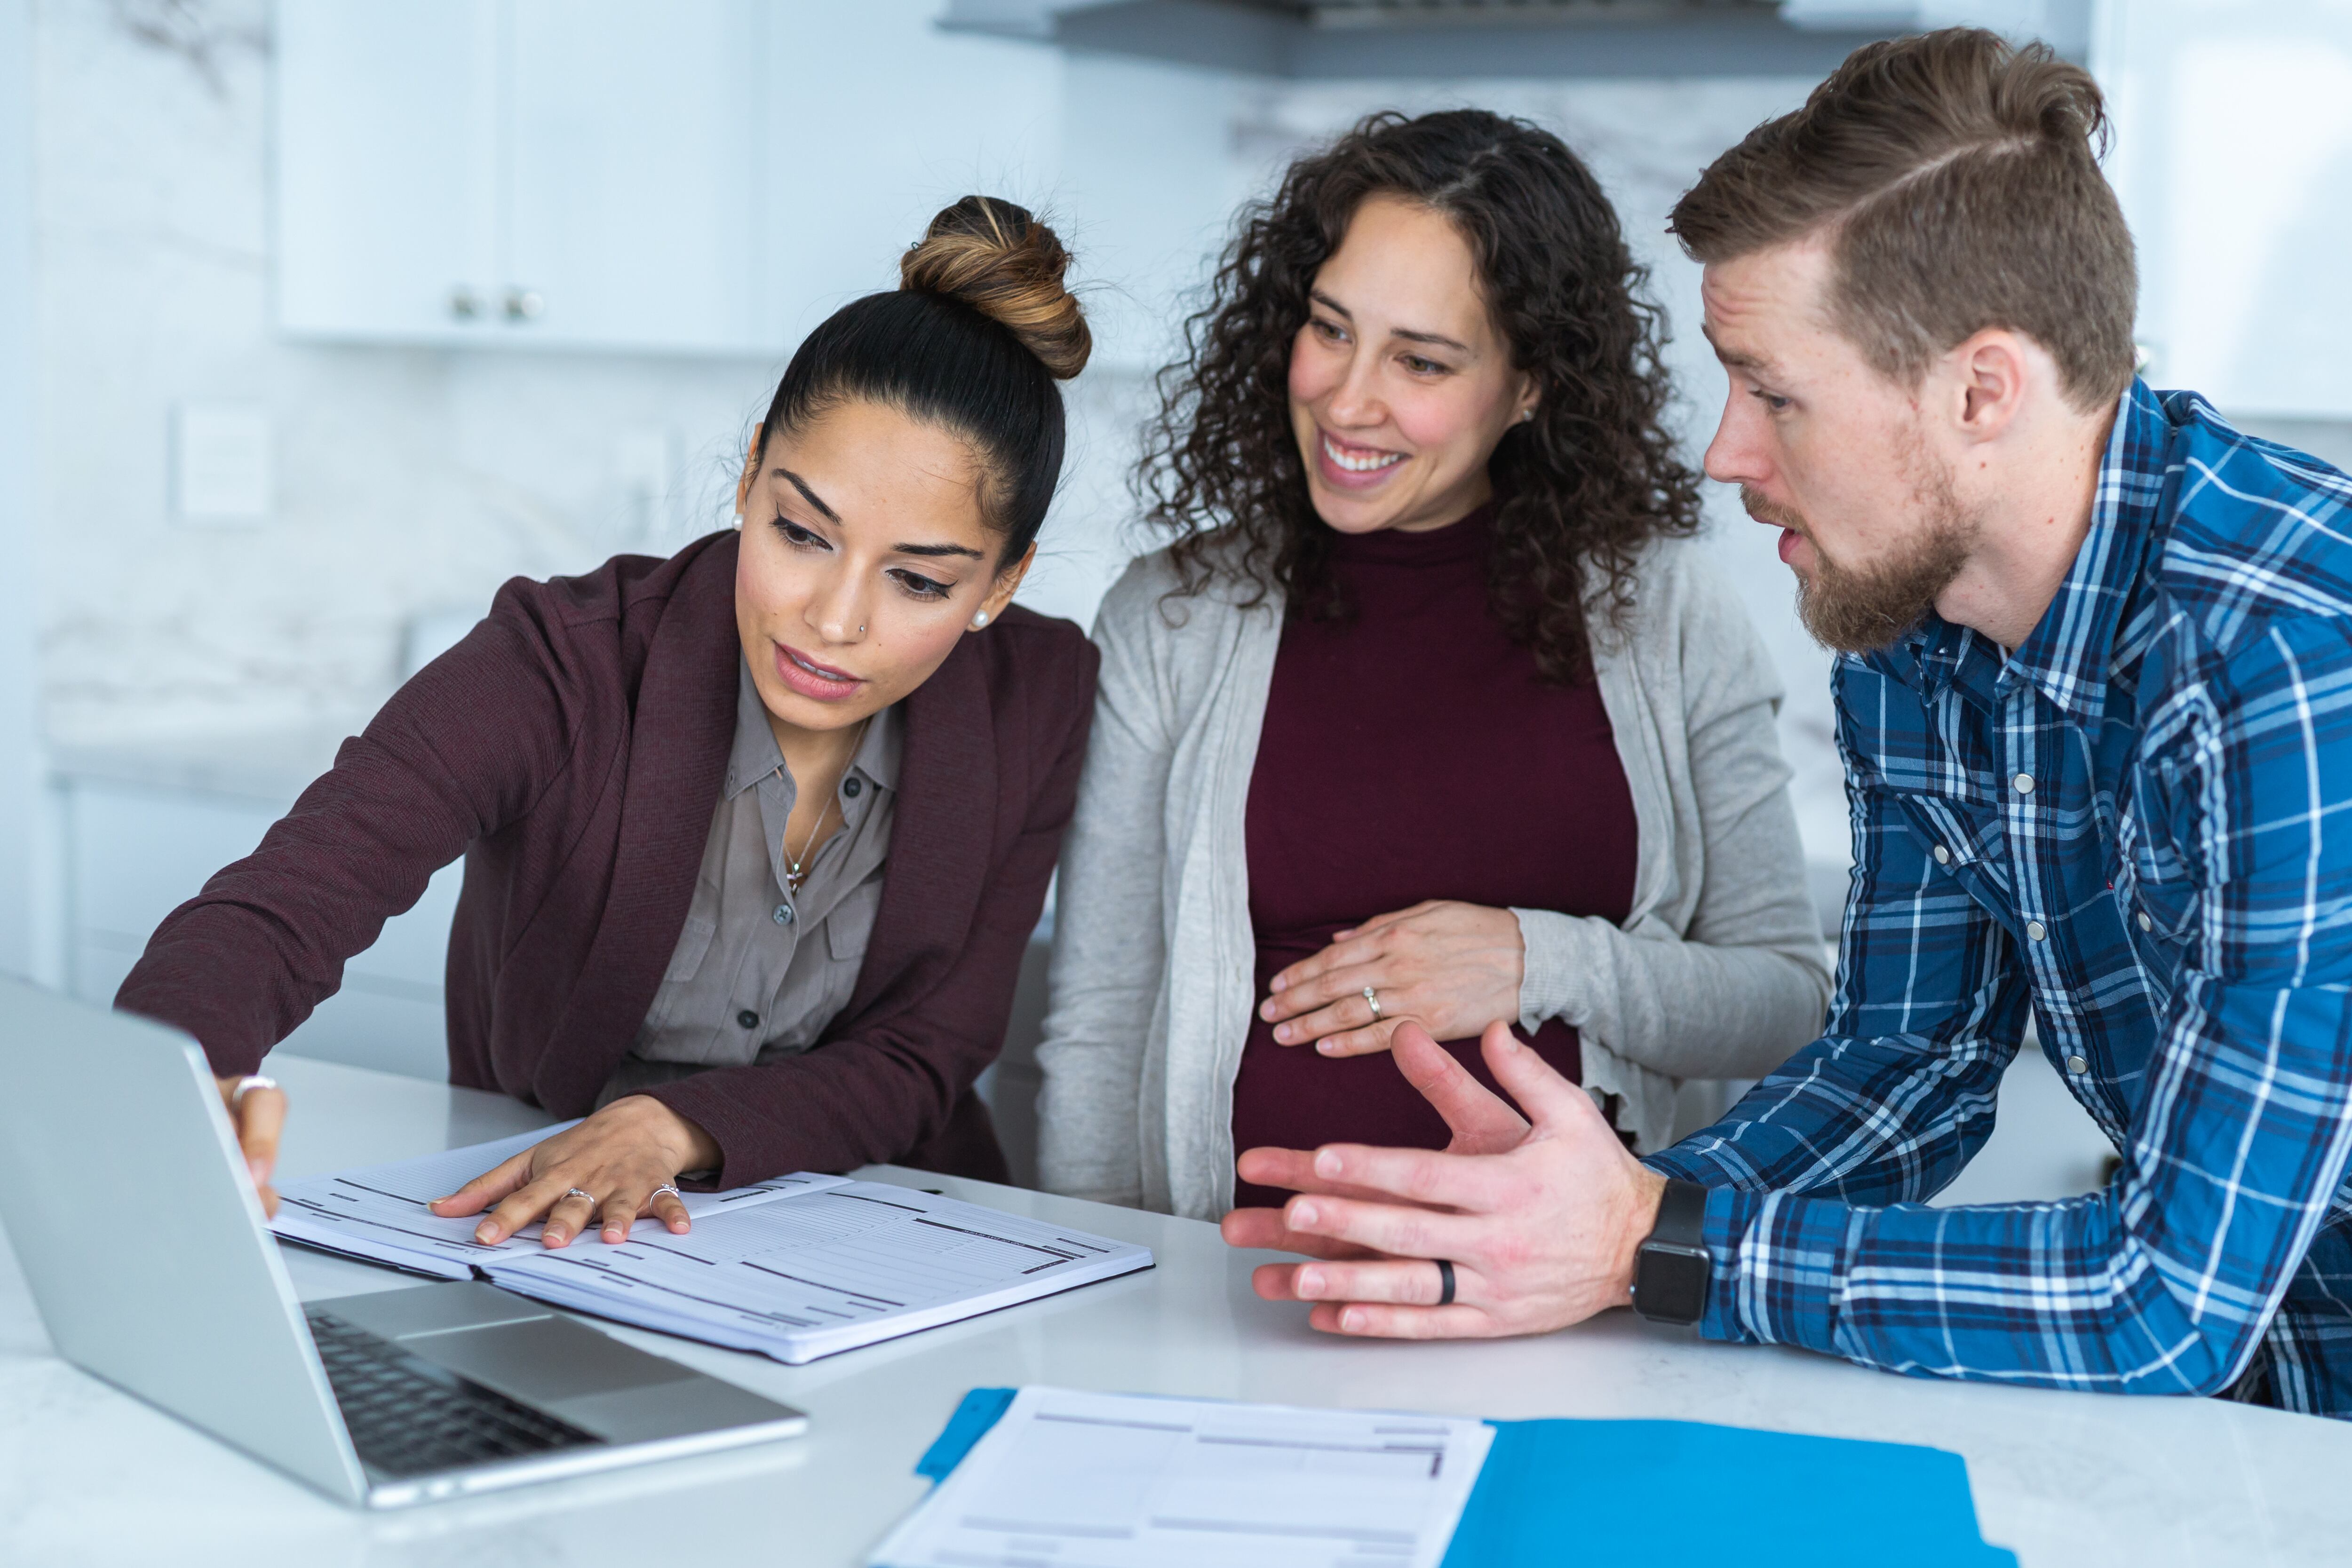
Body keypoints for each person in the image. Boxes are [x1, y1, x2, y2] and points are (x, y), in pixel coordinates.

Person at [1219, 30, 2352, 1420]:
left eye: (1777, 393)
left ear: (1980, 392)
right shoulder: (1916, 619)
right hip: (2263, 1407)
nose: (1724, 452)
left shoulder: (2289, 657)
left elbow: (2163, 1299)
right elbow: (1906, 1063)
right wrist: (1569, 1217)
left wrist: (1659, 1242)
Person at [117, 197, 1100, 1251]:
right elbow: (282, 906)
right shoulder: (562, 661)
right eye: (802, 532)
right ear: (751, 470)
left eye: (916, 579)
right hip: (561, 1242)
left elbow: (927, 1052)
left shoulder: (1036, 699)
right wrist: (189, 1079)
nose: (833, 617)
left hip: (889, 1247)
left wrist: (671, 1125)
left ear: (1003, 580)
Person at [1037, 110, 1831, 1221]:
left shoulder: (1667, 615)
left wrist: (1535, 958)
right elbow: (1102, 1019)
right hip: (1233, 1286)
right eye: (1329, 328)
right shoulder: (1174, 617)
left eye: (1421, 359)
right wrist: (1104, 1289)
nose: (1347, 398)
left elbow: (1786, 1002)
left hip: (1572, 1305)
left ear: (1529, 385)